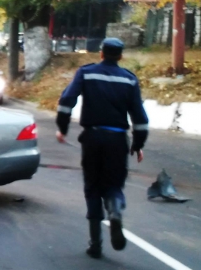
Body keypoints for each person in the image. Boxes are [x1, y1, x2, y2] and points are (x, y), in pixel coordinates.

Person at [55, 38, 149, 258]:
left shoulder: (86, 73)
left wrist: (62, 128)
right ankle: (115, 210)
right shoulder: (129, 80)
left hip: (93, 138)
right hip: (117, 140)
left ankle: (95, 244)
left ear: (101, 54)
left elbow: (67, 99)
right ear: (120, 56)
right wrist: (137, 144)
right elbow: (140, 117)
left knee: (93, 187)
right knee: (114, 185)